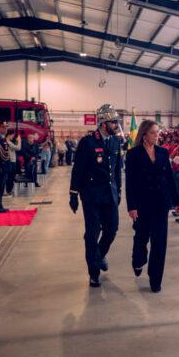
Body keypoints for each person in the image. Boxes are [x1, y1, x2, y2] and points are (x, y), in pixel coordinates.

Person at [69, 104, 123, 288]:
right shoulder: (88, 142)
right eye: (113, 122)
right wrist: (73, 193)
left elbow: (117, 170)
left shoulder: (115, 142)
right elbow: (78, 169)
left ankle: (99, 255)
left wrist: (120, 191)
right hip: (91, 194)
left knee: (112, 229)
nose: (116, 125)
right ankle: (94, 272)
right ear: (103, 122)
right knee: (92, 234)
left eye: (116, 122)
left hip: (110, 194)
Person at [126, 120, 179, 293]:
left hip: (161, 202)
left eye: (157, 133)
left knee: (159, 242)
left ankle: (155, 278)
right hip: (142, 203)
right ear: (144, 135)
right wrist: (132, 206)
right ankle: (138, 260)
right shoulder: (133, 154)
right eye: (153, 133)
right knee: (141, 237)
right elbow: (130, 182)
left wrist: (177, 200)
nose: (157, 136)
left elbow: (170, 178)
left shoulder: (163, 152)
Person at [5, 130, 22, 196]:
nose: (13, 137)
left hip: (12, 161)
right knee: (10, 176)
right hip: (11, 161)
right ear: (9, 135)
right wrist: (19, 140)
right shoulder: (8, 142)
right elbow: (18, 148)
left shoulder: (8, 142)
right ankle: (8, 190)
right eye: (12, 135)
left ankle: (9, 190)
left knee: (11, 176)